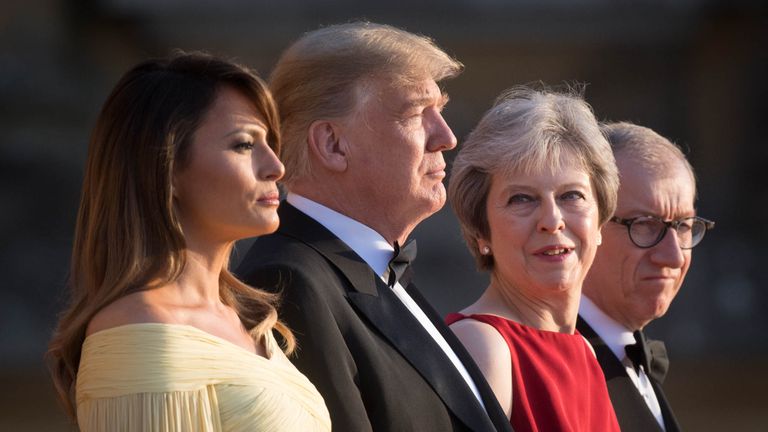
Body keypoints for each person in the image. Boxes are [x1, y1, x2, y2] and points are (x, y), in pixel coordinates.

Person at [236, 22, 512, 432]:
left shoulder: (376, 268)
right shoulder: (288, 282)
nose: (446, 137)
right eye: (417, 113)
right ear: (332, 143)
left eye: (442, 110)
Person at [46, 52, 331, 431]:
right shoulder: (140, 331)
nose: (276, 167)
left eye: (269, 142)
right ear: (168, 169)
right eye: (244, 145)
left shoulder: (250, 323)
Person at [445, 86, 622, 431]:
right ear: (481, 232)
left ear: (600, 221)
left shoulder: (584, 350)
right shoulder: (484, 347)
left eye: (572, 195)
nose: (552, 220)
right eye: (521, 199)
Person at [577, 122, 714, 432]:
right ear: (584, 227)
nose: (674, 256)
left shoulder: (625, 353)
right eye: (644, 224)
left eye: (683, 226)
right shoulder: (546, 362)